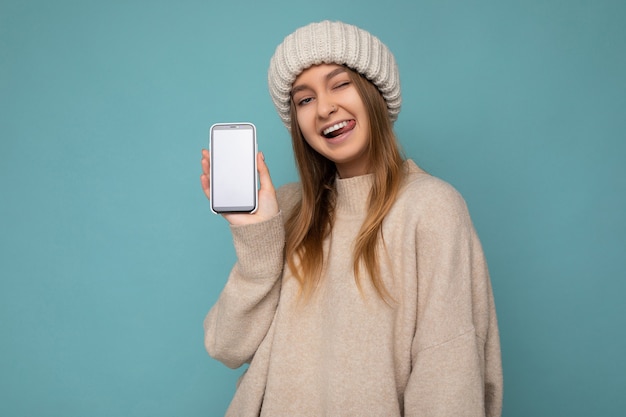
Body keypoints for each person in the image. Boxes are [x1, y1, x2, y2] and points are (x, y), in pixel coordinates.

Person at [200, 20, 503, 417]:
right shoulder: (288, 209)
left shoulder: (431, 207)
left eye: (340, 83)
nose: (324, 108)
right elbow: (226, 347)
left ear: (375, 91)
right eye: (304, 100)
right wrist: (257, 241)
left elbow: (448, 377)